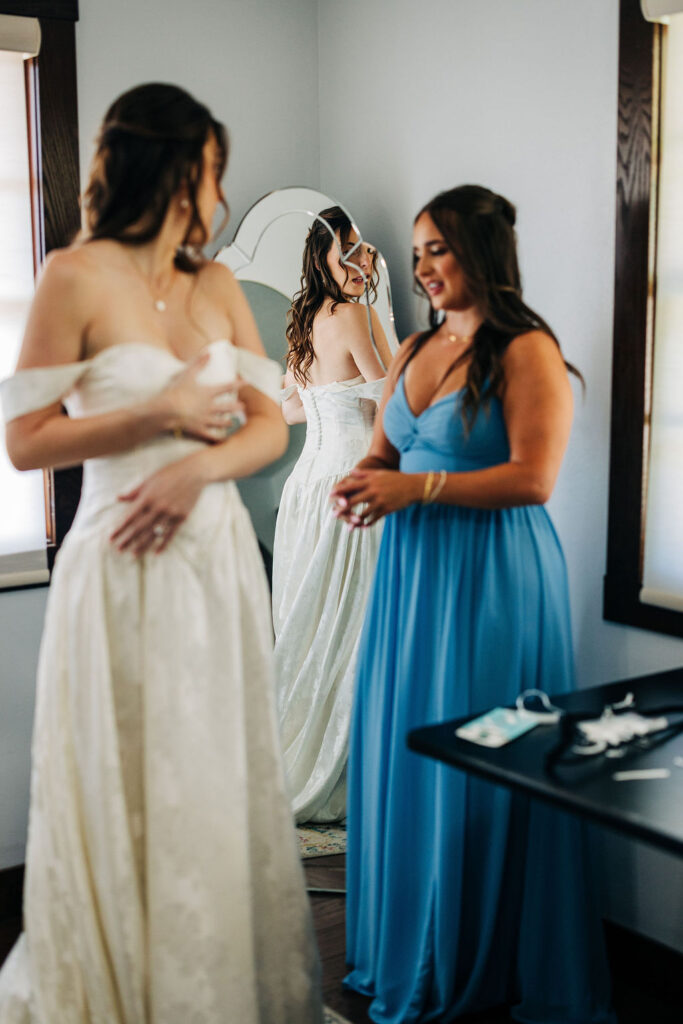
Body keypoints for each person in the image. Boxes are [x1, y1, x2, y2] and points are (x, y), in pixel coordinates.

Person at [0, 83, 322, 1024]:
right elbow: (23, 438)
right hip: (119, 560)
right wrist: (153, 413)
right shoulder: (76, 276)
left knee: (212, 766)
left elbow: (268, 427)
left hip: (213, 557)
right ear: (175, 170)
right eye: (211, 171)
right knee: (128, 762)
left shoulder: (217, 284)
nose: (217, 194)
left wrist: (198, 471)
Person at [331, 185, 614, 1023]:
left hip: (490, 580)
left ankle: (480, 959)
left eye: (437, 250)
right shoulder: (417, 344)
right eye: (416, 252)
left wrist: (414, 485)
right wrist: (358, 484)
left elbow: (533, 478)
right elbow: (384, 449)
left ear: (480, 252)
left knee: (481, 762)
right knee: (407, 753)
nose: (421, 266)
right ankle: (411, 942)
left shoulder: (524, 350)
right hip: (411, 581)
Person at [273, 207, 391, 823]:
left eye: (366, 251)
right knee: (354, 625)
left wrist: (329, 397)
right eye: (352, 250)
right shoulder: (357, 316)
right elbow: (395, 396)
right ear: (326, 256)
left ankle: (307, 753)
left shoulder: (305, 321)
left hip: (305, 487)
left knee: (314, 621)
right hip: (350, 480)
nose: (362, 262)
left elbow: (294, 410)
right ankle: (347, 766)